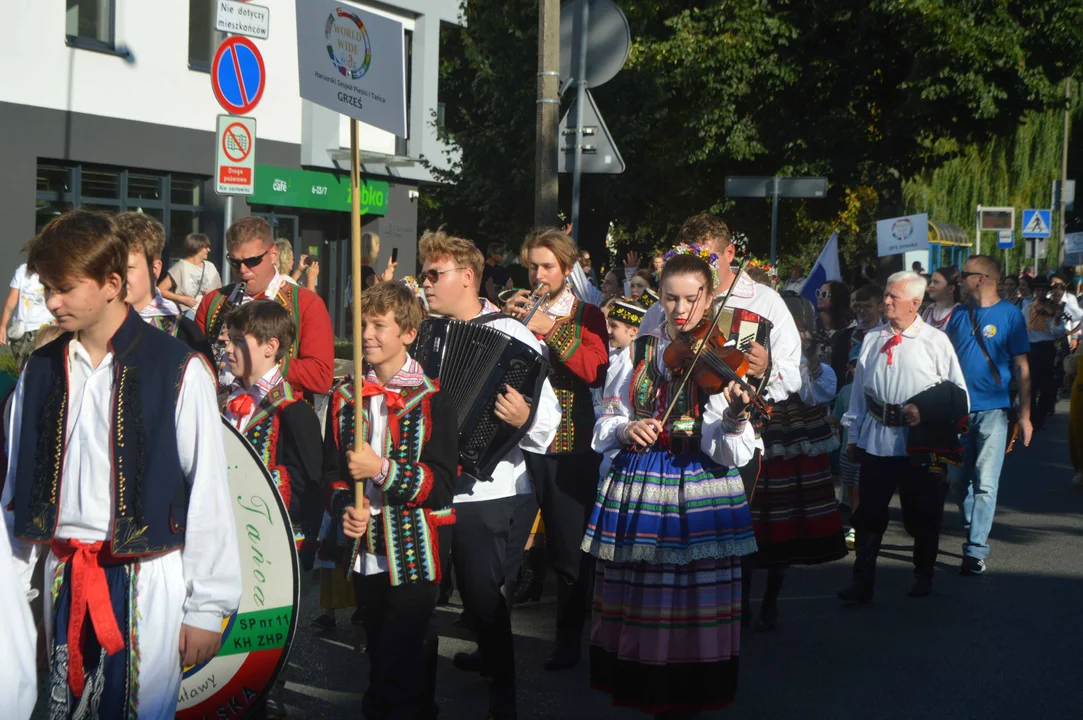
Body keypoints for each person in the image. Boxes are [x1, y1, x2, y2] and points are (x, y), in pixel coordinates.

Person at [2, 209, 241, 718]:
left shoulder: (176, 367)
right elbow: (17, 488)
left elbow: (209, 494)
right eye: (47, 288)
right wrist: (20, 597)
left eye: (64, 287)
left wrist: (207, 605)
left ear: (112, 283)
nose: (52, 302)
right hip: (64, 573)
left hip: (147, 579)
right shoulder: (40, 371)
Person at [583, 254, 759, 717]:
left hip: (702, 491)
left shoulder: (722, 357)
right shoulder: (637, 352)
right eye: (670, 298)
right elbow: (604, 424)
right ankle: (646, 693)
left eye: (691, 298)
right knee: (643, 598)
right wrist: (625, 431)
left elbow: (732, 454)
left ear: (710, 298)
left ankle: (690, 697)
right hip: (642, 486)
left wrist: (737, 418)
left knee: (696, 602)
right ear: (658, 297)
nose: (680, 309)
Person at [419, 231, 561, 717]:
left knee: (482, 596)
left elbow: (551, 417)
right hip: (430, 485)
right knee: (426, 594)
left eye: (434, 274)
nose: (426, 283)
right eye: (425, 274)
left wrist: (526, 419)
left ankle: (505, 695)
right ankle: (420, 698)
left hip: (490, 486)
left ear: (467, 277)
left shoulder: (515, 335)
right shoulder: (423, 333)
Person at [330, 281, 458, 720]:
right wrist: (344, 508)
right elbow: (332, 475)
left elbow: (442, 485)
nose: (367, 334)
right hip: (366, 554)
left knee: (392, 670)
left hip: (415, 554)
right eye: (362, 323)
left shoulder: (434, 400)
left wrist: (381, 470)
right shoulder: (345, 397)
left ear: (407, 333)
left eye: (378, 325)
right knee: (385, 650)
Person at [503, 228, 609, 672]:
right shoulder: (517, 303)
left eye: (547, 266)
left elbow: (596, 371)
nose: (538, 274)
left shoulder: (588, 315)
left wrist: (551, 329)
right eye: (532, 266)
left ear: (567, 269)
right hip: (516, 444)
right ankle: (492, 642)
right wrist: (504, 320)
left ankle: (568, 640)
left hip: (569, 448)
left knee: (569, 554)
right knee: (506, 547)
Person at [221, 299, 324, 719]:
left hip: (274, 547)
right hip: (225, 542)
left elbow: (308, 485)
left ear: (269, 346)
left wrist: (247, 487)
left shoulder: (294, 410)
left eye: (236, 341)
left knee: (260, 643)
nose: (226, 349)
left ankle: (263, 701)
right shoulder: (223, 398)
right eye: (224, 340)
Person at [840, 272, 968, 601]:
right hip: (876, 441)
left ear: (915, 303)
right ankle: (863, 581)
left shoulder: (935, 342)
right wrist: (853, 435)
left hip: (918, 444)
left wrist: (924, 411)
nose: (886, 301)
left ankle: (923, 573)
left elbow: (958, 395)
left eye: (893, 297)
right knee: (869, 513)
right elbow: (859, 393)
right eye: (885, 295)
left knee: (922, 514)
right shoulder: (872, 338)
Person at [748, 307, 846, 631]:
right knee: (745, 515)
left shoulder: (796, 340)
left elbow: (815, 391)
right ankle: (743, 601)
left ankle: (771, 598)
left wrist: (812, 357)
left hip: (789, 431)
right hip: (748, 419)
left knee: (785, 516)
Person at [944, 255, 1033, 574]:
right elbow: (945, 361)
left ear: (981, 279)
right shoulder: (958, 314)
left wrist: (1024, 416)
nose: (959, 280)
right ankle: (973, 526)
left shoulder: (1011, 315)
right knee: (956, 480)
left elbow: (1022, 367)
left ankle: (975, 548)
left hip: (994, 410)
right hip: (959, 411)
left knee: (986, 482)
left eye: (964, 275)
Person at [195, 216, 334, 396]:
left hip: (277, 417)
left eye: (252, 262)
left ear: (273, 254)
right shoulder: (213, 302)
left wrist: (259, 356)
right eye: (235, 263)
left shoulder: (307, 304)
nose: (243, 270)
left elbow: (321, 378)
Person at [115, 212, 215, 367]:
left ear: (155, 269)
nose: (116, 278)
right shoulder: (90, 327)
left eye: (128, 268)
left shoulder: (184, 334)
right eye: (111, 268)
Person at [1025, 275, 1066, 429]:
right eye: (1038, 290)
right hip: (1031, 347)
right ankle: (1032, 415)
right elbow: (1023, 327)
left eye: (1043, 290)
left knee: (1046, 385)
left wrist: (1054, 318)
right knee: (1032, 384)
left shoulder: (1054, 308)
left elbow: (1058, 331)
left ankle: (1041, 416)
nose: (1040, 293)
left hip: (1047, 347)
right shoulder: (1027, 308)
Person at [0, 260, 54, 370]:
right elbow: (11, 302)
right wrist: (3, 326)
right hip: (21, 332)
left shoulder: (56, 271)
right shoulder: (22, 271)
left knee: (38, 370)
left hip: (44, 329)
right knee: (23, 372)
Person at [164, 232, 222, 318]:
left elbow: (220, 289)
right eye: (206, 247)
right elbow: (161, 290)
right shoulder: (181, 267)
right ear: (197, 247)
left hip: (209, 314)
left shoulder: (210, 266)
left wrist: (212, 293)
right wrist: (183, 299)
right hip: (190, 315)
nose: (209, 250)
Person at [816, 280, 853, 378]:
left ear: (837, 298)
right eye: (818, 293)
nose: (819, 297)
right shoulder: (814, 324)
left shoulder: (850, 330)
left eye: (824, 294)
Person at [922, 266, 960, 330]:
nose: (931, 285)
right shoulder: (926, 312)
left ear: (951, 288)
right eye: (931, 282)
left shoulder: (960, 313)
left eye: (936, 282)